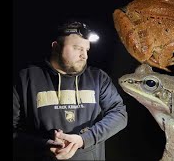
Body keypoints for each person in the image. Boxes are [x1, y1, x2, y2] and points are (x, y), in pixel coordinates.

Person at [13, 19, 128, 160]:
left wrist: (84, 139)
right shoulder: (26, 78)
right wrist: (44, 144)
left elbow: (119, 114)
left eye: (86, 50)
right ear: (56, 47)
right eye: (77, 48)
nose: (84, 56)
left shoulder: (98, 78)